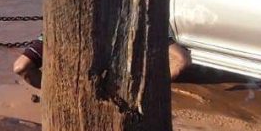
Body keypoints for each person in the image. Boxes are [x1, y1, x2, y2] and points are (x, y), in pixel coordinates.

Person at [13, 34, 191, 89]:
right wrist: (59, 94)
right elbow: (22, 67)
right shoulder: (63, 14)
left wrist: (146, 91)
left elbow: (181, 61)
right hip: (75, 91)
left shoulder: (136, 11)